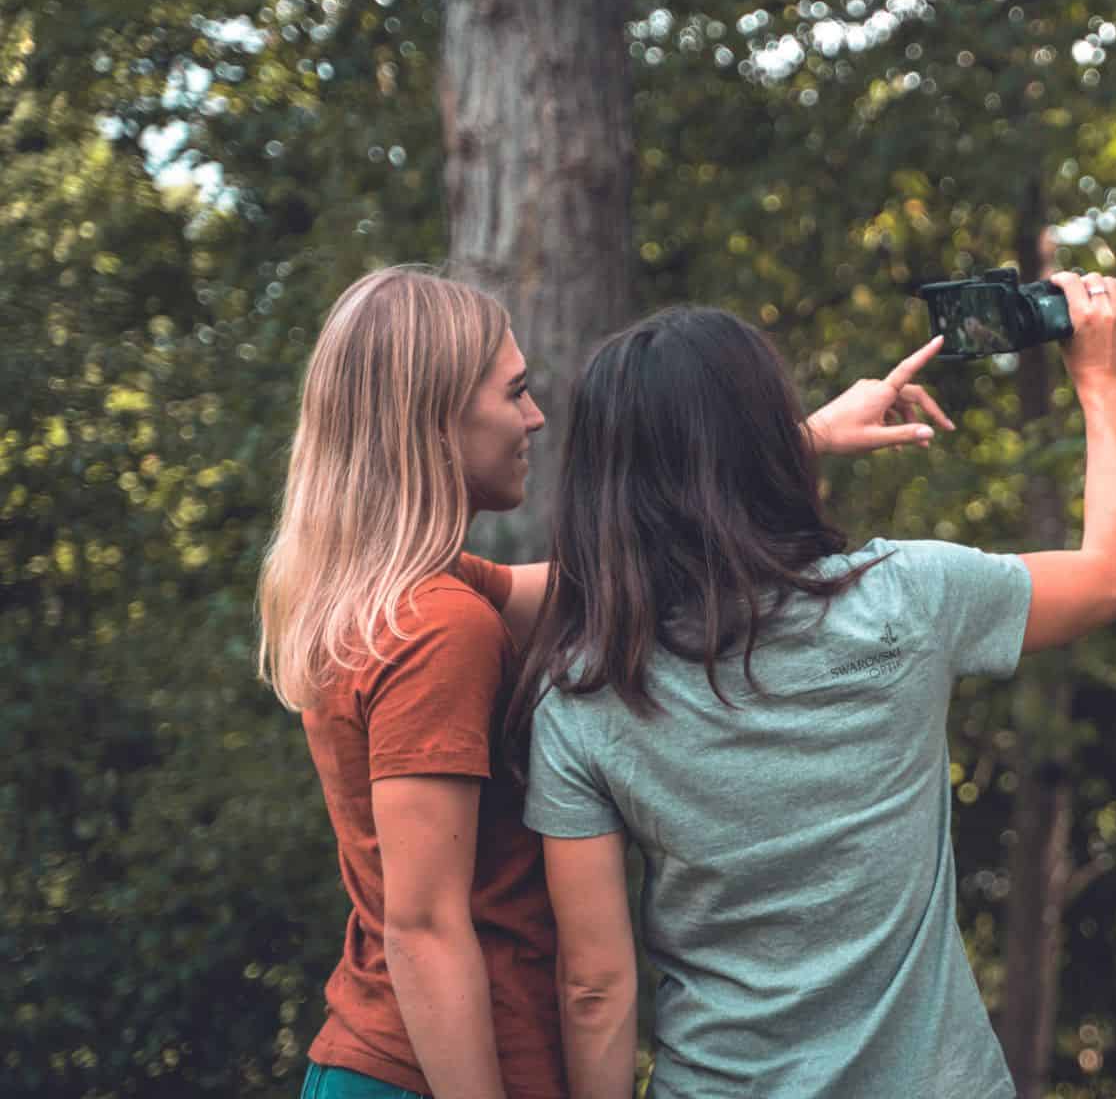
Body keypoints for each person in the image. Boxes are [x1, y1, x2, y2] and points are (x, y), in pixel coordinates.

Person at [257, 266, 955, 1099]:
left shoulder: (399, 600)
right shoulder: (437, 629)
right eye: (514, 393)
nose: (536, 417)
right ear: (435, 422)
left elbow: (623, 566)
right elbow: (425, 929)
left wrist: (778, 444)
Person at [515, 271, 1116, 1098]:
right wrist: (1102, 383)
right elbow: (1115, 575)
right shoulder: (904, 600)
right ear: (768, 443)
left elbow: (595, 990)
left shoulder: (583, 699)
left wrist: (784, 443)